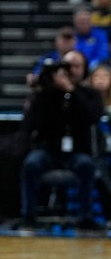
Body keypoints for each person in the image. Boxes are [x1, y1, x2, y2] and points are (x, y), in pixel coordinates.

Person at [20, 57, 104, 229]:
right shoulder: (46, 95)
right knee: (31, 163)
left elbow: (91, 117)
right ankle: (28, 216)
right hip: (48, 150)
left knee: (86, 165)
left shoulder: (89, 94)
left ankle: (85, 217)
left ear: (84, 69)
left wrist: (71, 91)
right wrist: (38, 92)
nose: (70, 70)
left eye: (76, 66)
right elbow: (31, 124)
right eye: (66, 66)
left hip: (77, 151)